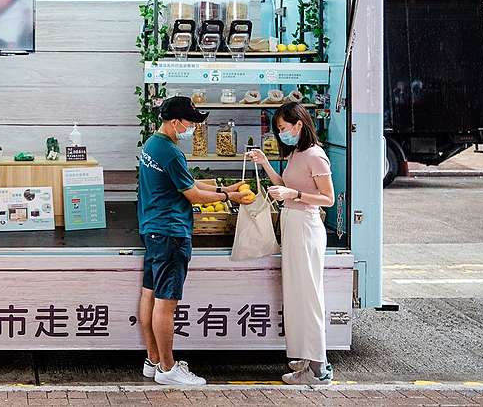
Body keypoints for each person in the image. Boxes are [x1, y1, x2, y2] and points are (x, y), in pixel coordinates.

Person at [138, 96, 252, 386]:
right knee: (166, 302)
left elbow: (187, 181)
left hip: (152, 229)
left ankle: (153, 361)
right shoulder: (171, 151)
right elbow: (193, 195)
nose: (192, 128)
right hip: (171, 232)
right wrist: (230, 197)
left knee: (149, 294)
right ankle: (168, 368)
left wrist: (222, 186)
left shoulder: (153, 145)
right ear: (176, 121)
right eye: (190, 123)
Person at [248, 102, 336, 386]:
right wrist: (264, 163)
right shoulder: (296, 153)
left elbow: (328, 199)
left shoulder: (316, 155)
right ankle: (306, 357)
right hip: (292, 222)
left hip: (306, 226)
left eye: (284, 129)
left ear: (299, 125)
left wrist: (294, 193)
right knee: (297, 294)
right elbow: (282, 186)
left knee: (309, 295)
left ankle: (318, 368)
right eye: (278, 130)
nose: (282, 134)